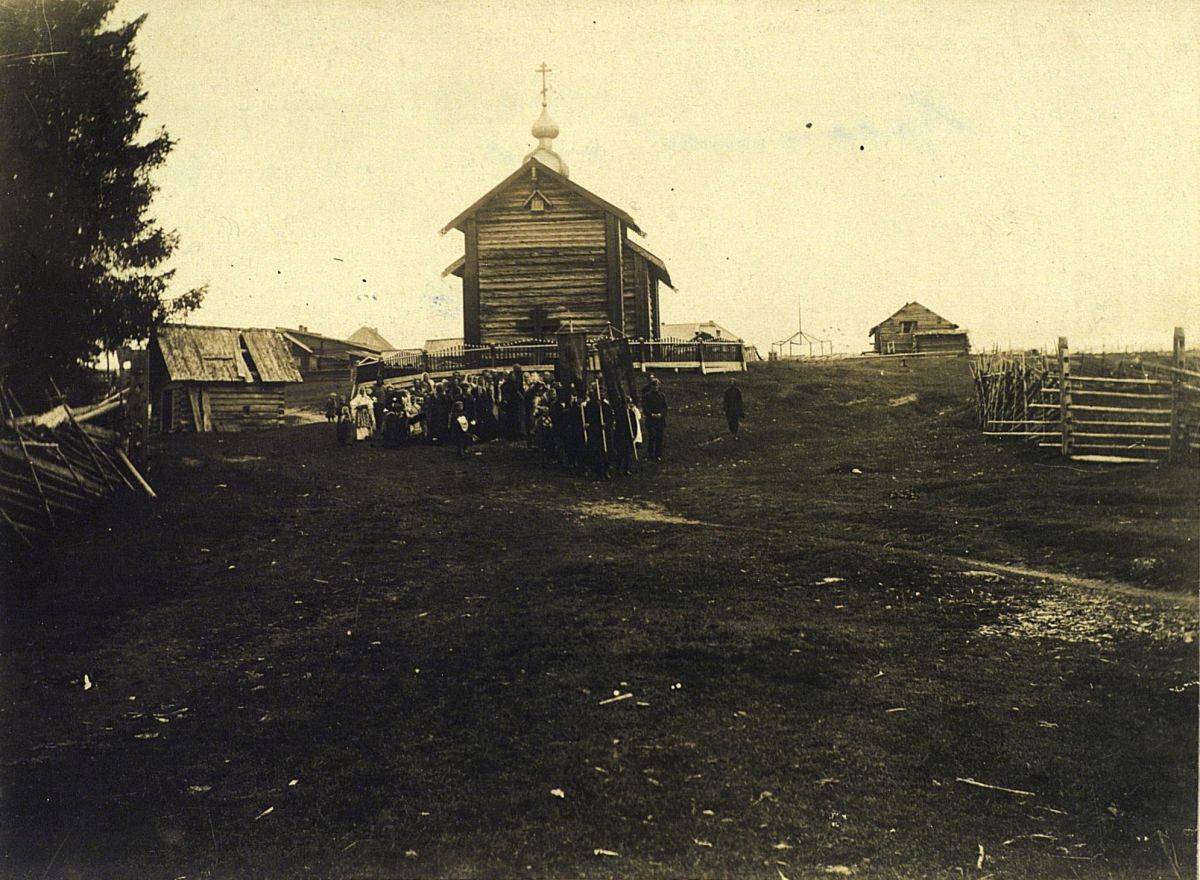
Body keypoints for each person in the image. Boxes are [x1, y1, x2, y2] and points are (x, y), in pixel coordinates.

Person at [642, 377, 668, 462]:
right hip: (651, 420)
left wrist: (661, 414)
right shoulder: (647, 396)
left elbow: (665, 407)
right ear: (651, 386)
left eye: (656, 385)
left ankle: (658, 454)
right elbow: (645, 408)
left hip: (660, 420)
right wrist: (651, 414)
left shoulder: (662, 396)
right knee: (652, 436)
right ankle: (650, 453)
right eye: (653, 385)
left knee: (659, 437)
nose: (655, 387)